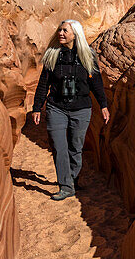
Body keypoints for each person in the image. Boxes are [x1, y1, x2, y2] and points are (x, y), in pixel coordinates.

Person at [30, 20, 110, 201]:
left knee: (75, 147)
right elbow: (44, 84)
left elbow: (96, 83)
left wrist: (103, 104)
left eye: (65, 30)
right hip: (56, 107)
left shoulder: (87, 55)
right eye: (59, 29)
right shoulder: (52, 55)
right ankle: (66, 186)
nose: (61, 33)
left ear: (75, 34)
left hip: (81, 109)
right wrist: (37, 107)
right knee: (59, 147)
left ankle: (73, 178)